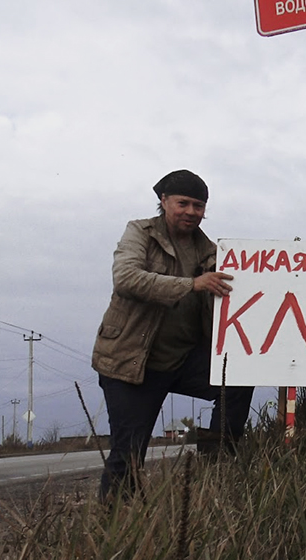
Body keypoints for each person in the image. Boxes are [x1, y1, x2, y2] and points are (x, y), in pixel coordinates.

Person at [92, 169, 254, 500]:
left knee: (237, 378)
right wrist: (191, 284)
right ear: (163, 201)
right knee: (128, 456)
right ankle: (115, 523)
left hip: (184, 360)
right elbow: (126, 278)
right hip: (133, 363)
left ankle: (217, 461)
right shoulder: (139, 233)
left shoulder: (210, 249)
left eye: (199, 205)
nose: (192, 212)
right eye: (183, 203)